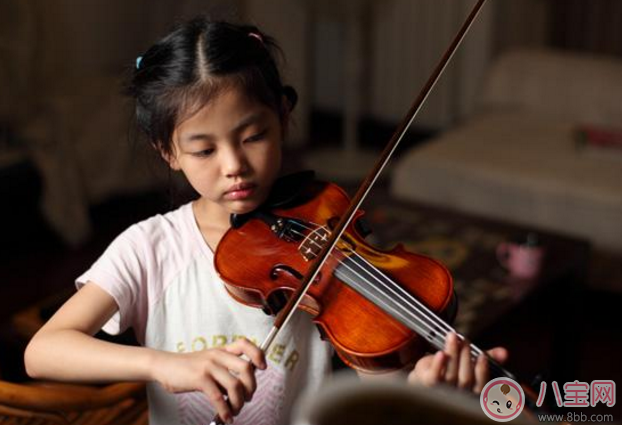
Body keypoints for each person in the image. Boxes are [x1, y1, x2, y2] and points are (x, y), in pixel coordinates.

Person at [24, 17, 507, 425]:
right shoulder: (149, 247)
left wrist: (418, 385)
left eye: (253, 135)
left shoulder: (326, 229)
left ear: (284, 118)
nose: (233, 163)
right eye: (204, 149)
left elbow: (377, 377)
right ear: (168, 151)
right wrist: (164, 365)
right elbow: (43, 351)